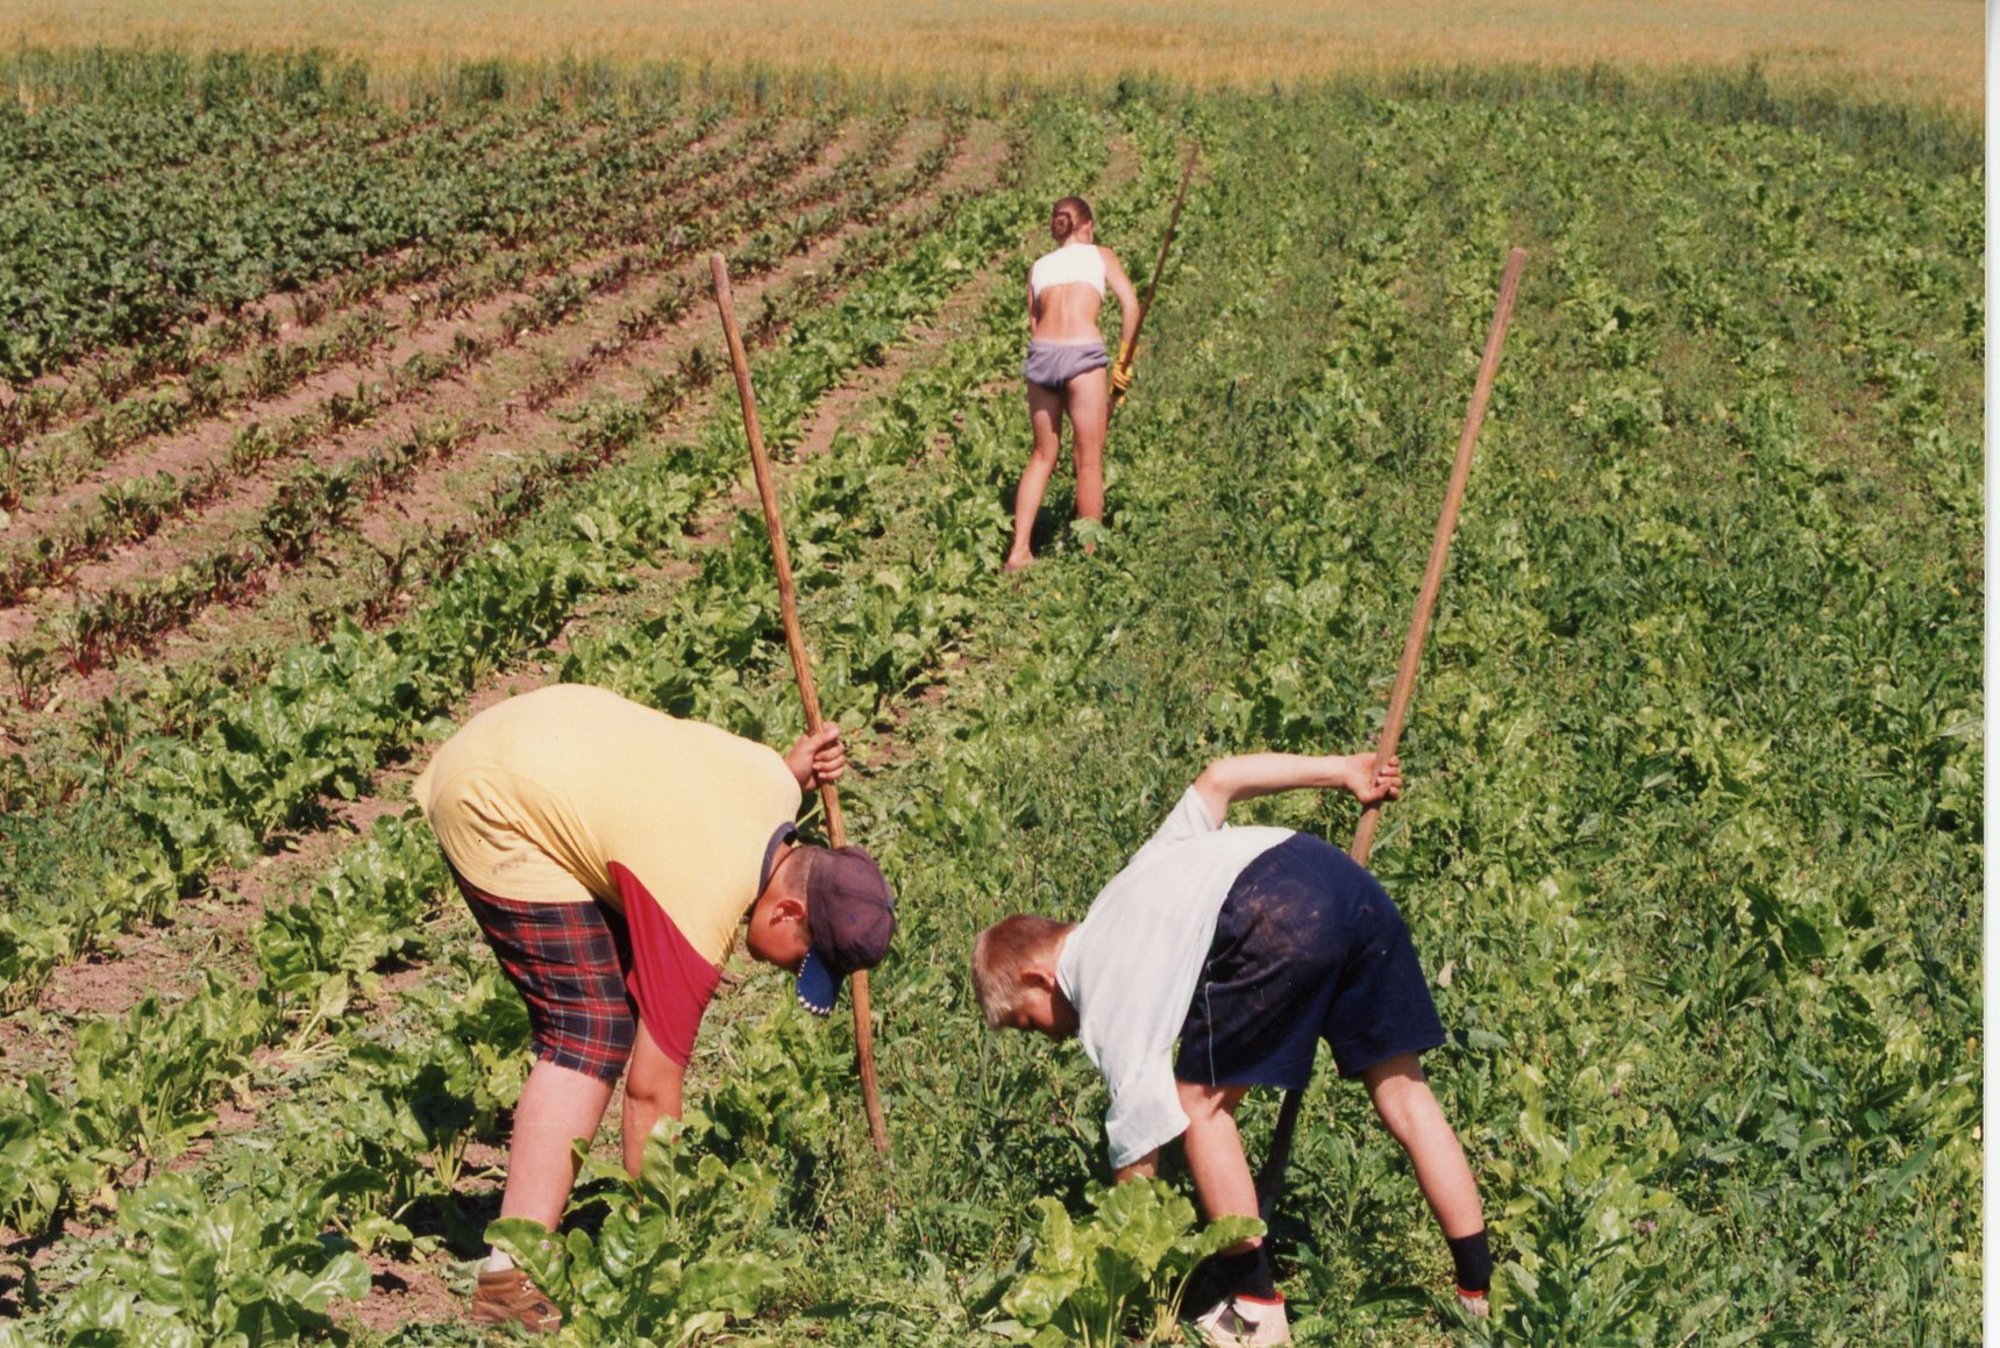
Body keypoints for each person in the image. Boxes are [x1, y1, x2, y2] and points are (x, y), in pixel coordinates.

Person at [413, 683, 896, 1333]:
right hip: (495, 798)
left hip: (538, 738)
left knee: (605, 996)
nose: (789, 970)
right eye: (801, 958)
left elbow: (749, 792)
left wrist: (798, 769)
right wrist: (654, 1263)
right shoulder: (701, 904)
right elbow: (650, 1094)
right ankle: (507, 1276)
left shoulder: (774, 788)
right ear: (785, 911)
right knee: (590, 1026)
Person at [970, 750, 1491, 1346]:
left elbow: (1137, 1155)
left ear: (1039, 978)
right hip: (1342, 883)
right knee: (1406, 1098)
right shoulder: (1133, 879)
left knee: (1200, 1108)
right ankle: (1478, 1294)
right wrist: (1347, 770)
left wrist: (1128, 1265)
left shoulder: (1097, 981)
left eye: (1029, 1023)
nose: (1044, 1036)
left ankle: (1255, 1308)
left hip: (1273, 911)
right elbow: (1222, 779)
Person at [1004, 195, 1140, 572]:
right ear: (1088, 227)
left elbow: (1034, 324)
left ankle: (1018, 551)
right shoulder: (1100, 255)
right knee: (1088, 460)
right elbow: (1131, 306)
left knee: (1042, 455)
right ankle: (1089, 556)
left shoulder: (1039, 266)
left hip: (1043, 355)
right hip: (1083, 355)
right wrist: (1124, 364)